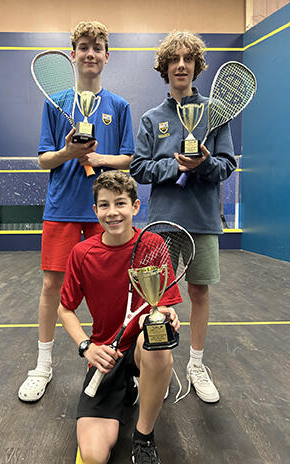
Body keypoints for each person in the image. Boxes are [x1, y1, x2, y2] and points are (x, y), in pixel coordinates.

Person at [18, 21, 135, 402]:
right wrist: (68, 153)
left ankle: (119, 363)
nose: (90, 53)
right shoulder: (56, 104)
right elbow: (43, 160)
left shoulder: (119, 106)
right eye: (83, 46)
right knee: (53, 286)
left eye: (97, 47)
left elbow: (129, 159)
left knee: (115, 288)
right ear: (73, 55)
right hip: (62, 209)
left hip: (106, 212)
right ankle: (43, 365)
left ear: (106, 55)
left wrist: (99, 158)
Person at [130, 30, 236, 404]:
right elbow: (139, 169)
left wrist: (204, 164)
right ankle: (152, 363)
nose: (180, 65)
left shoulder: (216, 113)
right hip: (162, 222)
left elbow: (227, 165)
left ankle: (196, 364)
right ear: (164, 67)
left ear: (196, 66)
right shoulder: (150, 119)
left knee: (199, 292)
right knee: (154, 299)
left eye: (187, 59)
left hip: (203, 219)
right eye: (173, 60)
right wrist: (171, 165)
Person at [58, 170, 182, 464]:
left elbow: (164, 304)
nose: (112, 212)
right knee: (93, 456)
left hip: (140, 349)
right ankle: (129, 388)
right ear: (95, 210)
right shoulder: (82, 253)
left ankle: (144, 437)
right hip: (105, 354)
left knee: (158, 343)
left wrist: (167, 316)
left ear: (135, 207)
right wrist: (86, 346)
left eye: (120, 203)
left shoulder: (152, 245)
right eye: (104, 205)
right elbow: (65, 309)